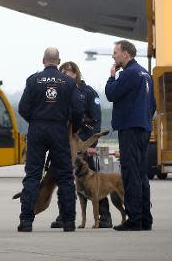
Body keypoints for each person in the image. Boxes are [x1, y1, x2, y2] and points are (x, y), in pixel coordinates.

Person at [17, 47, 83, 232]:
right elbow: (78, 110)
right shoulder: (69, 82)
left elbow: (23, 108)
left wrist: (35, 120)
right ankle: (69, 221)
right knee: (65, 177)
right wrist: (74, 128)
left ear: (43, 60)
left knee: (32, 175)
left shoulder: (33, 80)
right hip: (59, 130)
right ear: (58, 60)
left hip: (37, 129)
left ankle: (26, 221)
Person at [49, 61, 112, 229]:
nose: (66, 75)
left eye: (69, 72)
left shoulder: (89, 93)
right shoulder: (59, 93)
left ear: (76, 74)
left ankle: (104, 216)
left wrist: (91, 144)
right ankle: (64, 215)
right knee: (64, 180)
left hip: (84, 144)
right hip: (66, 144)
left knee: (95, 183)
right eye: (63, 72)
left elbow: (96, 121)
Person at [105, 40, 156, 232]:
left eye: (115, 52)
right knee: (141, 173)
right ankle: (145, 218)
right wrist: (143, 118)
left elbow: (111, 93)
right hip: (143, 127)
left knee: (130, 174)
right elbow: (153, 104)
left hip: (130, 129)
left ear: (126, 54)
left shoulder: (128, 74)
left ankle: (134, 219)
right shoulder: (145, 74)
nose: (113, 56)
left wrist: (111, 77)